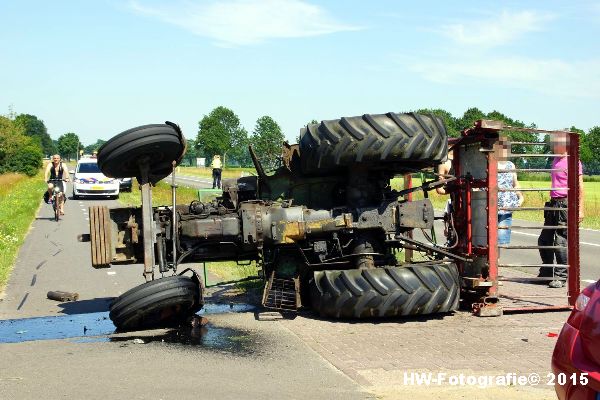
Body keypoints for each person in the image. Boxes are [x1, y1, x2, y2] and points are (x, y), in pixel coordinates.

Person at [538, 131, 584, 288]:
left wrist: (580, 209)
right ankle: (547, 272)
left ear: (564, 145)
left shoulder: (573, 162)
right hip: (553, 203)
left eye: (555, 143)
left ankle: (561, 276)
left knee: (560, 241)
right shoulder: (555, 159)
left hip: (564, 204)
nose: (553, 145)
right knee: (544, 240)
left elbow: (580, 187)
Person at [497, 138, 524, 245]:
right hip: (491, 206)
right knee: (488, 239)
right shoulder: (490, 163)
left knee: (501, 242)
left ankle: (496, 261)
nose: (504, 150)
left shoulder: (510, 165)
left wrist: (521, 197)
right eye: (501, 147)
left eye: (506, 147)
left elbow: (515, 184)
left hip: (506, 208)